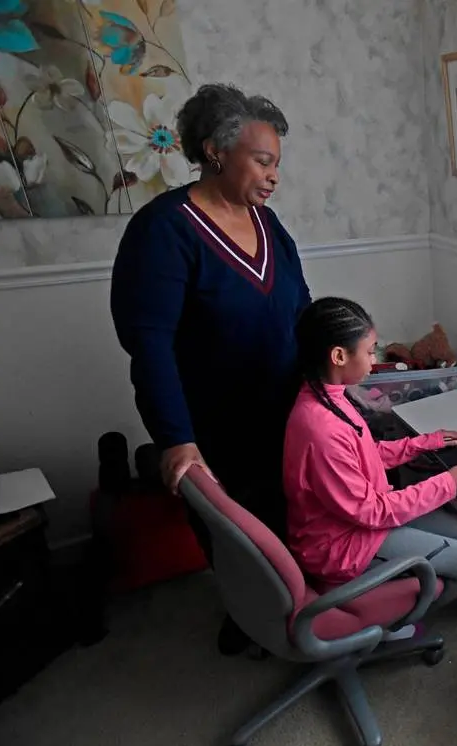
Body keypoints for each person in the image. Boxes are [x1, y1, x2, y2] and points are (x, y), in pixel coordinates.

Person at [110, 83, 311, 655]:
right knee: (240, 543)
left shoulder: (268, 225)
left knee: (293, 528)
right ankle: (254, 622)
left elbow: (301, 308)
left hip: (285, 413)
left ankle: (298, 617)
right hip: (214, 427)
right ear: (216, 151)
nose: (274, 176)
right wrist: (175, 439)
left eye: (277, 164)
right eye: (263, 161)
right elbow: (148, 344)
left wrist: (334, 370)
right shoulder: (163, 231)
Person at [284, 297, 457, 615]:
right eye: (369, 352)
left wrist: (425, 443)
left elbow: (366, 455)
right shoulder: (320, 427)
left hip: (364, 519)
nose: (372, 361)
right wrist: (450, 481)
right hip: (346, 545)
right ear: (339, 356)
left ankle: (398, 591)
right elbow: (373, 512)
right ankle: (390, 621)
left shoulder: (325, 396)